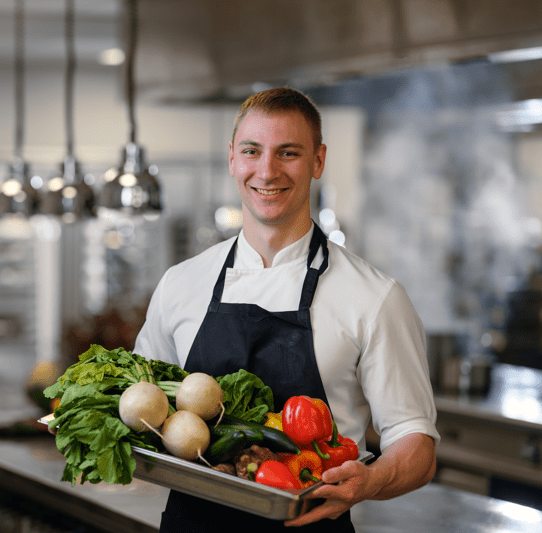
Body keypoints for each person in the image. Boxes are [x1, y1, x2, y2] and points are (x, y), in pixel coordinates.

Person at [133, 87, 439, 531]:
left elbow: (417, 445)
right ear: (233, 159)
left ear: (318, 161)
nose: (267, 170)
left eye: (288, 153)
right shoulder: (181, 284)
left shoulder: (375, 297)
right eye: (252, 151)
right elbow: (144, 407)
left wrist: (371, 480)